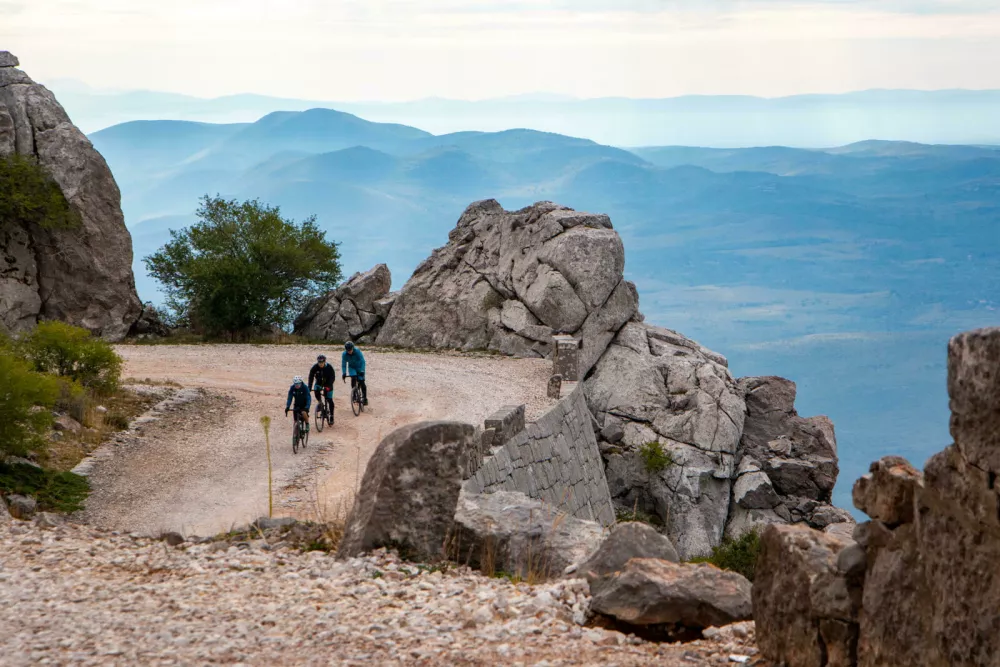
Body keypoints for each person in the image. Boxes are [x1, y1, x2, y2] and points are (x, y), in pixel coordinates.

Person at [341, 341, 367, 405]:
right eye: (348, 350)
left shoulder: (357, 351)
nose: (349, 351)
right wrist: (344, 373)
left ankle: (365, 398)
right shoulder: (344, 354)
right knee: (353, 378)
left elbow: (362, 361)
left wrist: (362, 371)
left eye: (350, 350)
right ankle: (354, 395)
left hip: (359, 367)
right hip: (352, 368)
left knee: (362, 382)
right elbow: (344, 364)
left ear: (353, 348)